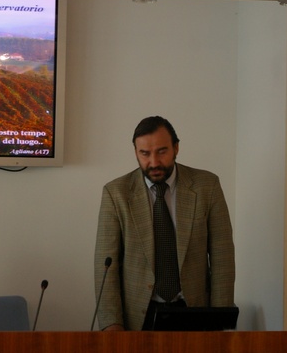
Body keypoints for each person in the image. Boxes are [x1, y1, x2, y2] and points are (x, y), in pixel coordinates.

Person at [93, 116, 235, 331]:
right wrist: (112, 325)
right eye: (145, 153)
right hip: (139, 316)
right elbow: (106, 267)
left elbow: (222, 257)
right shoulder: (116, 193)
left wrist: (220, 320)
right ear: (135, 152)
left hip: (195, 311)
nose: (154, 162)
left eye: (161, 151)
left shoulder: (207, 186)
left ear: (176, 148)